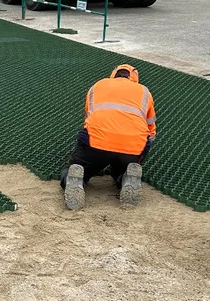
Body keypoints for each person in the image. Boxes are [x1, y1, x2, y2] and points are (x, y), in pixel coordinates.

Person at [60, 64, 156, 210]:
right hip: (132, 147)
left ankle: (75, 179)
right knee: (122, 166)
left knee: (76, 166)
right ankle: (125, 177)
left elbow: (87, 118)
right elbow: (151, 130)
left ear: (113, 74)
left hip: (96, 144)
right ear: (134, 78)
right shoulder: (144, 91)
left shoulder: (98, 86)